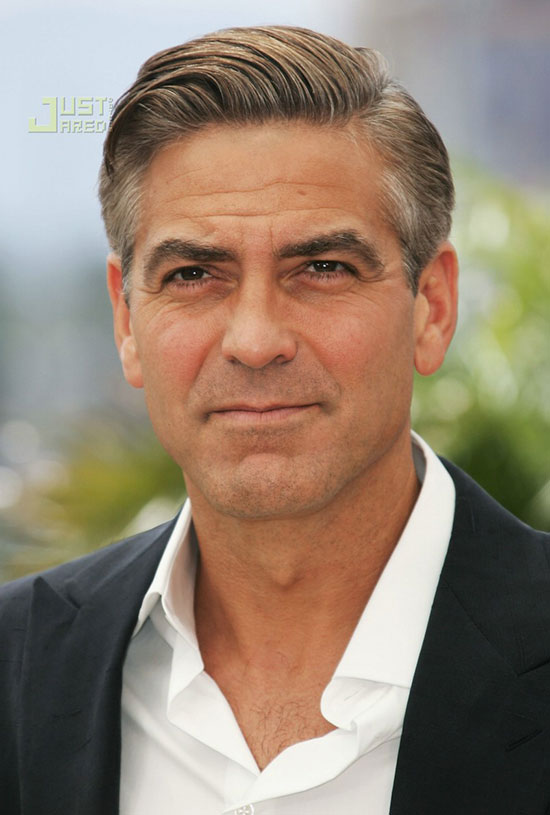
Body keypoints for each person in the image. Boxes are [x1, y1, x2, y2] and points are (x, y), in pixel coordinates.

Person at [1, 25, 549, 815]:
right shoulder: (17, 667)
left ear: (432, 306)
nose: (256, 340)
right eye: (194, 274)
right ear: (126, 320)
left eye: (322, 267)